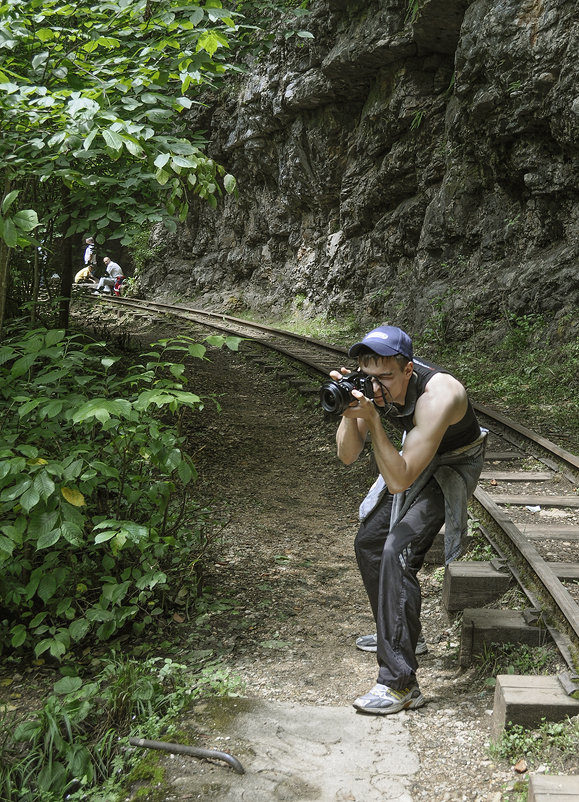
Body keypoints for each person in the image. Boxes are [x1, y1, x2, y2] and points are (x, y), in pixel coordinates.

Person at [331, 324, 486, 715]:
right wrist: (352, 413)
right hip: (416, 456)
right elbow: (348, 455)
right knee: (369, 541)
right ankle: (401, 635)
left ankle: (400, 684)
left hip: (452, 465)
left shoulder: (440, 395)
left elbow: (399, 480)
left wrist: (376, 421)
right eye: (370, 377)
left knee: (397, 550)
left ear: (408, 370)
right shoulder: (371, 387)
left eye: (386, 377)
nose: (377, 386)